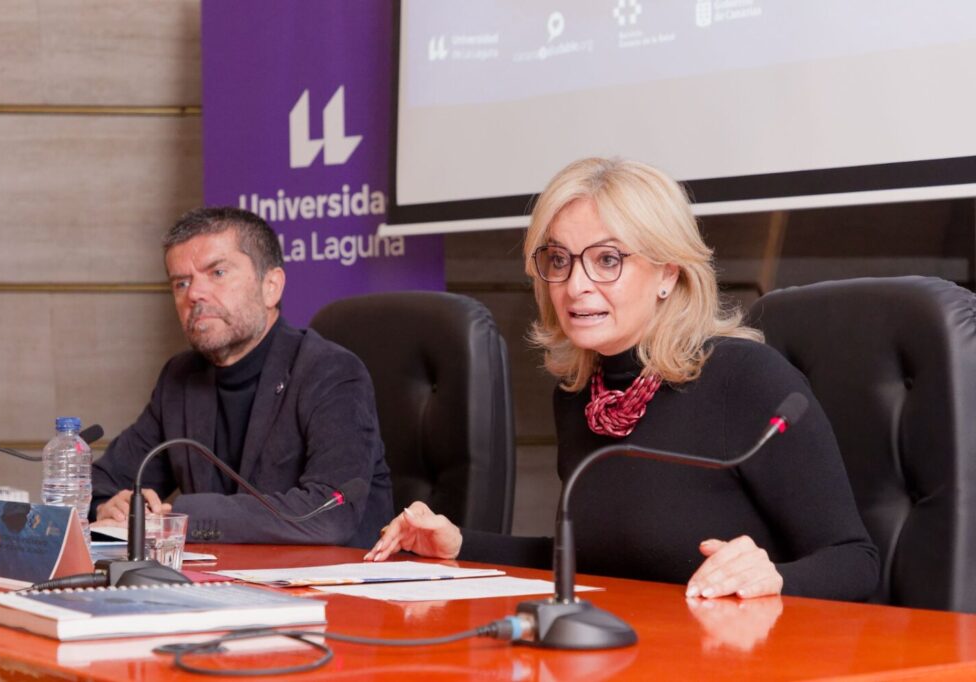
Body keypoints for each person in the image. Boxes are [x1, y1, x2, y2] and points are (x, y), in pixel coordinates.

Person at [366, 158, 880, 601]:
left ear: (667, 274)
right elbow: (596, 558)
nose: (575, 285)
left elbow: (855, 561)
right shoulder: (581, 397)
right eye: (560, 260)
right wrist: (460, 545)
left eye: (607, 260)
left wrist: (775, 579)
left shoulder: (746, 380)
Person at [91, 207, 393, 547]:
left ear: (271, 287)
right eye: (181, 282)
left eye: (217, 272)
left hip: (331, 589)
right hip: (221, 588)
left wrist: (183, 515)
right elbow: (104, 480)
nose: (194, 294)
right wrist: (108, 505)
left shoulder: (331, 373)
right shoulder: (181, 378)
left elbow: (328, 514)